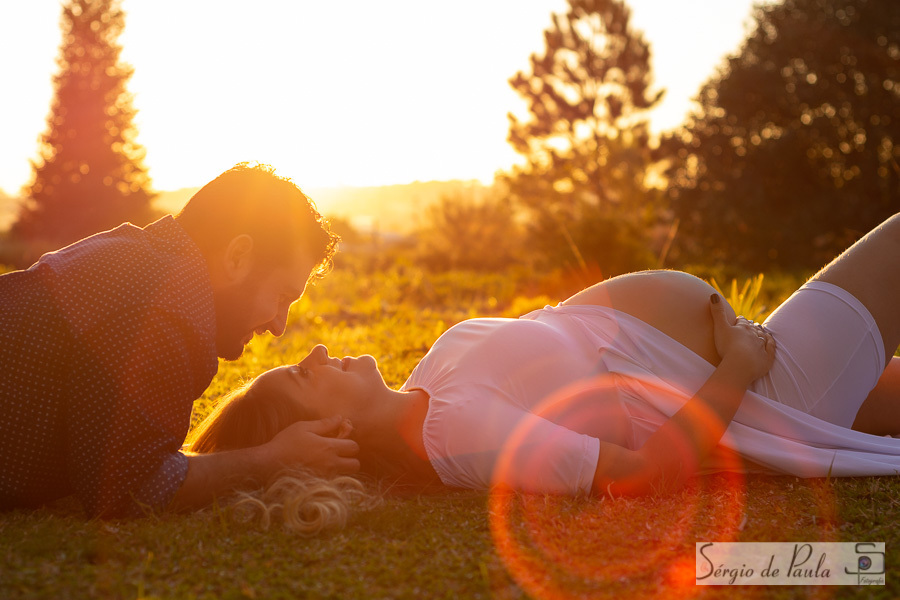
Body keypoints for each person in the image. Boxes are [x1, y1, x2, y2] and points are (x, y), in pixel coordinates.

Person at [189, 212, 900, 504]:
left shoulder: (431, 387)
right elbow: (642, 476)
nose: (313, 350)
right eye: (302, 377)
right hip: (769, 394)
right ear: (328, 437)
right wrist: (739, 364)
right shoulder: (463, 437)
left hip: (755, 367)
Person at [0, 162, 359, 518]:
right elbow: (131, 488)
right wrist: (274, 459)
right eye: (282, 296)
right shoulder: (164, 309)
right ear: (237, 257)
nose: (279, 325)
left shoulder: (143, 258)